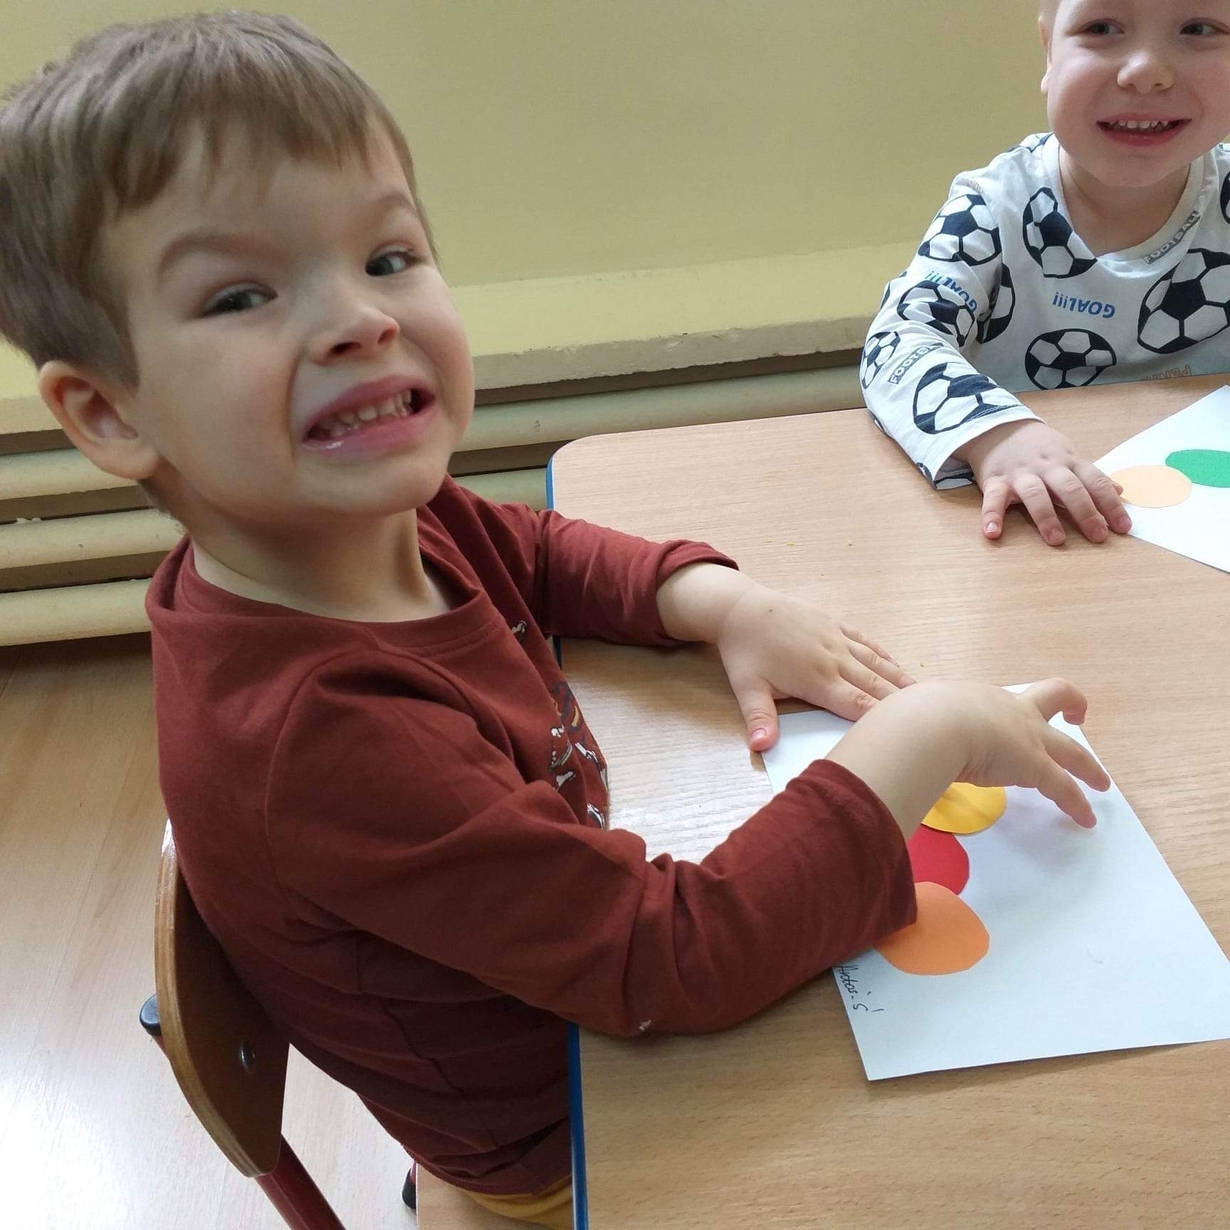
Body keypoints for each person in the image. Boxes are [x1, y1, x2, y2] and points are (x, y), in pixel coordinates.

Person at [0, 14, 1109, 1228]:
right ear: (108, 414)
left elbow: (530, 551)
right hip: (570, 1139)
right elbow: (672, 959)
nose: (362, 318)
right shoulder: (326, 736)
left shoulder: (350, 523)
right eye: (240, 295)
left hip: (578, 992)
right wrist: (930, 731)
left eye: (388, 256)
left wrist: (718, 603)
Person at [862, 0, 1230, 547]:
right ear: (1049, 53)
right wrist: (995, 434)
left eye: (1198, 28)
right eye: (1101, 28)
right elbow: (898, 341)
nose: (1146, 71)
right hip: (1034, 523)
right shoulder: (992, 208)